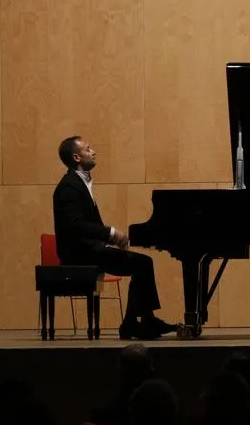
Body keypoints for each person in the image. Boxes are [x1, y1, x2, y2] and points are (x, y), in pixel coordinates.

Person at [52, 135, 178, 340]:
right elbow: (75, 226)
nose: (93, 152)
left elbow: (85, 225)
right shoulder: (69, 187)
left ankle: (139, 321)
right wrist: (110, 233)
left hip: (89, 249)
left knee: (142, 264)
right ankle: (136, 323)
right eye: (88, 149)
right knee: (142, 264)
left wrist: (110, 241)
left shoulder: (79, 183)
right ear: (76, 157)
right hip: (80, 253)